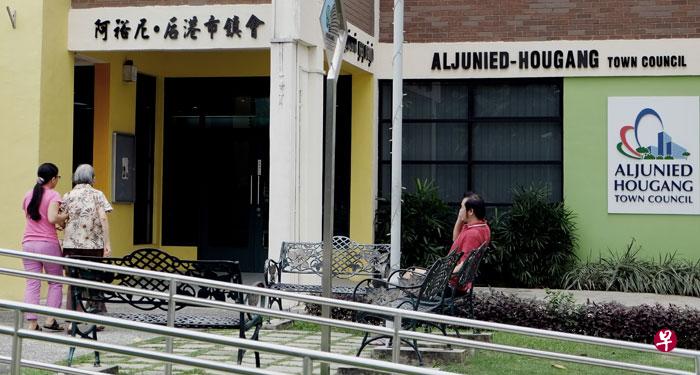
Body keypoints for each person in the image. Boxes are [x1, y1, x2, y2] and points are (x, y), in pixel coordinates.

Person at [21, 162, 68, 331]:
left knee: (32, 282)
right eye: (58, 178)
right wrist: (65, 215)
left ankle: (32, 323)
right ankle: (50, 319)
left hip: (28, 243)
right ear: (53, 179)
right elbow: (52, 218)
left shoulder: (28, 194)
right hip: (47, 243)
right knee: (55, 282)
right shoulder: (54, 195)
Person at [61, 164, 112, 314]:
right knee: (94, 281)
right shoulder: (98, 195)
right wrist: (107, 243)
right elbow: (103, 217)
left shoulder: (67, 195)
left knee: (73, 283)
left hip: (71, 245)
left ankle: (72, 319)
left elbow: (62, 219)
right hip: (93, 245)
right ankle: (96, 319)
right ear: (92, 179)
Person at [449, 192, 491, 296]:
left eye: (462, 208)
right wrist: (460, 218)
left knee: (408, 274)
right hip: (456, 283)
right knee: (412, 273)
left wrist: (443, 276)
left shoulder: (473, 235)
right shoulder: (482, 227)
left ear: (471, 211)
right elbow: (456, 239)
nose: (460, 211)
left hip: (451, 286)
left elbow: (464, 264)